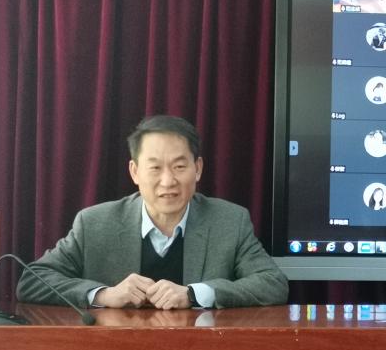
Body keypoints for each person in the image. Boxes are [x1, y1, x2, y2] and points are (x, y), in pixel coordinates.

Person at [16, 115, 288, 310]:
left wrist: (194, 294)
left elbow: (272, 283)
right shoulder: (95, 223)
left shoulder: (229, 221)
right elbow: (32, 281)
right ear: (135, 172)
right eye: (155, 168)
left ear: (198, 169)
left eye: (179, 167)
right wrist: (103, 295)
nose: (168, 181)